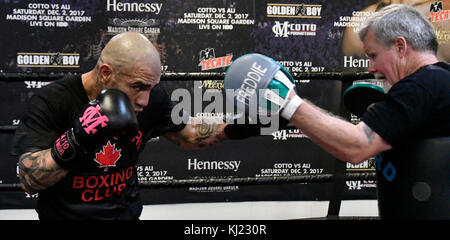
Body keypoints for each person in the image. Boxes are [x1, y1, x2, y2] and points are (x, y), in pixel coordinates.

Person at [225, 4, 450, 219]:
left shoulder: (419, 87)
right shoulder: (439, 80)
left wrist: (287, 102)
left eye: (373, 56)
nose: (370, 68)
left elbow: (356, 146)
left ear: (400, 47)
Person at [11, 31, 256, 220]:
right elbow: (30, 179)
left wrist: (245, 125)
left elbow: (189, 136)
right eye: (138, 87)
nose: (144, 101)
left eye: (150, 88)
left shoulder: (151, 98)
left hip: (125, 215)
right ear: (106, 73)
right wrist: (77, 139)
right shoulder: (53, 100)